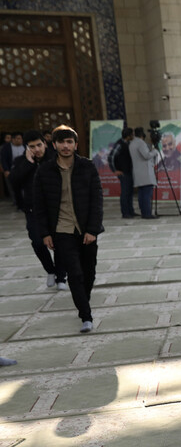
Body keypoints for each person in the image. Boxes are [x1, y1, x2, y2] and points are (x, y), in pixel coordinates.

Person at [30, 125, 104, 334]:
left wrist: (92, 230)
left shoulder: (87, 166)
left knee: (89, 271)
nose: (65, 146)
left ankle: (83, 300)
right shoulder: (44, 171)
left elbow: (97, 201)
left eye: (69, 142)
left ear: (75, 145)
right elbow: (40, 205)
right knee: (75, 273)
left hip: (86, 230)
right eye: (61, 142)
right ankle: (86, 316)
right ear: (53, 145)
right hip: (62, 230)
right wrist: (45, 233)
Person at [9, 130, 65, 290]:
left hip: (56, 209)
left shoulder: (56, 158)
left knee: (59, 242)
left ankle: (61, 277)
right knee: (38, 242)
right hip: (33, 210)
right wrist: (28, 163)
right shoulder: (21, 161)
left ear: (45, 144)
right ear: (27, 148)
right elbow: (13, 181)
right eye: (32, 146)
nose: (37, 149)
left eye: (39, 145)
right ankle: (50, 270)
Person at [129, 127, 160, 219]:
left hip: (138, 171)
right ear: (143, 135)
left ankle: (144, 212)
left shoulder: (132, 143)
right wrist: (155, 150)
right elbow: (146, 156)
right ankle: (147, 213)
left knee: (142, 194)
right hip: (145, 172)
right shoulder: (141, 143)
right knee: (147, 194)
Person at [108, 127, 135, 218]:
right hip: (123, 173)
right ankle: (125, 212)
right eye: (132, 134)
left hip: (129, 171)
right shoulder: (119, 144)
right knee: (125, 193)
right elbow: (111, 157)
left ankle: (131, 211)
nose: (133, 136)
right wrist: (114, 170)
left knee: (130, 192)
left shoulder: (128, 143)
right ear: (128, 136)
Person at [2, 131, 26, 210]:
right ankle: (17, 202)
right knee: (14, 188)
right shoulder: (6, 147)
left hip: (24, 170)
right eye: (18, 139)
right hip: (12, 170)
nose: (20, 140)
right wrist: (6, 170)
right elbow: (3, 159)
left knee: (24, 187)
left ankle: (24, 202)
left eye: (21, 138)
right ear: (13, 139)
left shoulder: (25, 146)